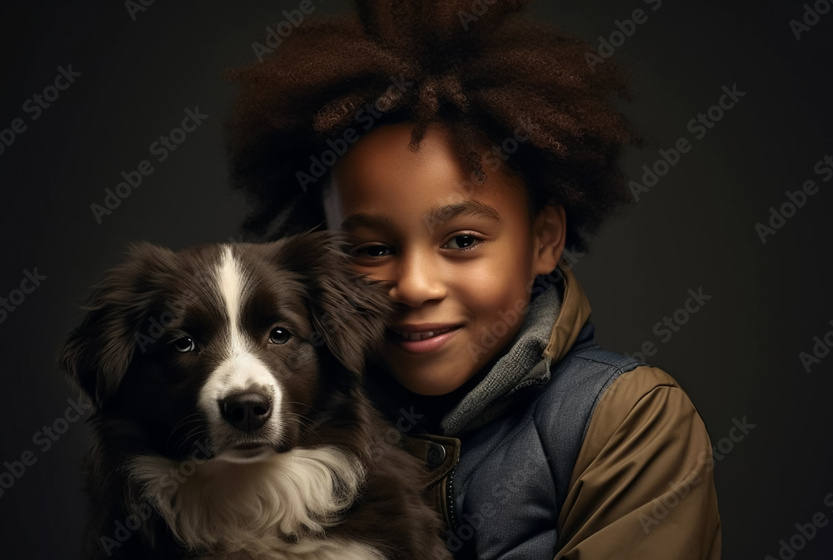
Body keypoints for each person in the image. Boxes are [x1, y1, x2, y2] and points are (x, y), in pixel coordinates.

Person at [224, 1, 721, 558]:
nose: (413, 286)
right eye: (372, 249)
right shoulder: (272, 412)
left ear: (544, 239)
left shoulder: (625, 420)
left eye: (462, 241)